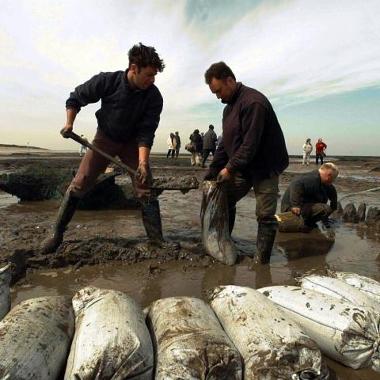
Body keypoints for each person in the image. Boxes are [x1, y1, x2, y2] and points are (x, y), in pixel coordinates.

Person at [41, 43, 165, 254]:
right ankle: (56, 234)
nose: (152, 80)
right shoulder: (108, 81)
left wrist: (143, 163)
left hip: (132, 144)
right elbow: (76, 97)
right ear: (133, 68)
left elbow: (146, 132)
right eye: (149, 75)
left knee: (146, 187)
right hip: (105, 138)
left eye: (155, 76)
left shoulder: (153, 97)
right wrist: (70, 123)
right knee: (79, 184)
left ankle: (156, 242)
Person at [203, 62, 289, 264]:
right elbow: (225, 143)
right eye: (214, 93)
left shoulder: (253, 102)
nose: (218, 97)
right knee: (224, 198)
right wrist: (213, 170)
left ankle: (262, 262)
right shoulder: (228, 109)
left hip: (266, 166)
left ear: (230, 81)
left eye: (218, 91)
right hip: (244, 165)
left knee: (265, 214)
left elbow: (250, 145)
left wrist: (230, 168)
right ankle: (225, 242)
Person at [281, 162, 338, 229]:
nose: (333, 181)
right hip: (290, 209)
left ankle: (308, 223)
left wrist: (334, 207)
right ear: (329, 175)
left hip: (303, 207)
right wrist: (295, 205)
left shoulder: (323, 182)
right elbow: (296, 184)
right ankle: (303, 223)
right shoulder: (312, 178)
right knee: (325, 209)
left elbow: (332, 192)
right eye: (334, 178)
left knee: (325, 204)